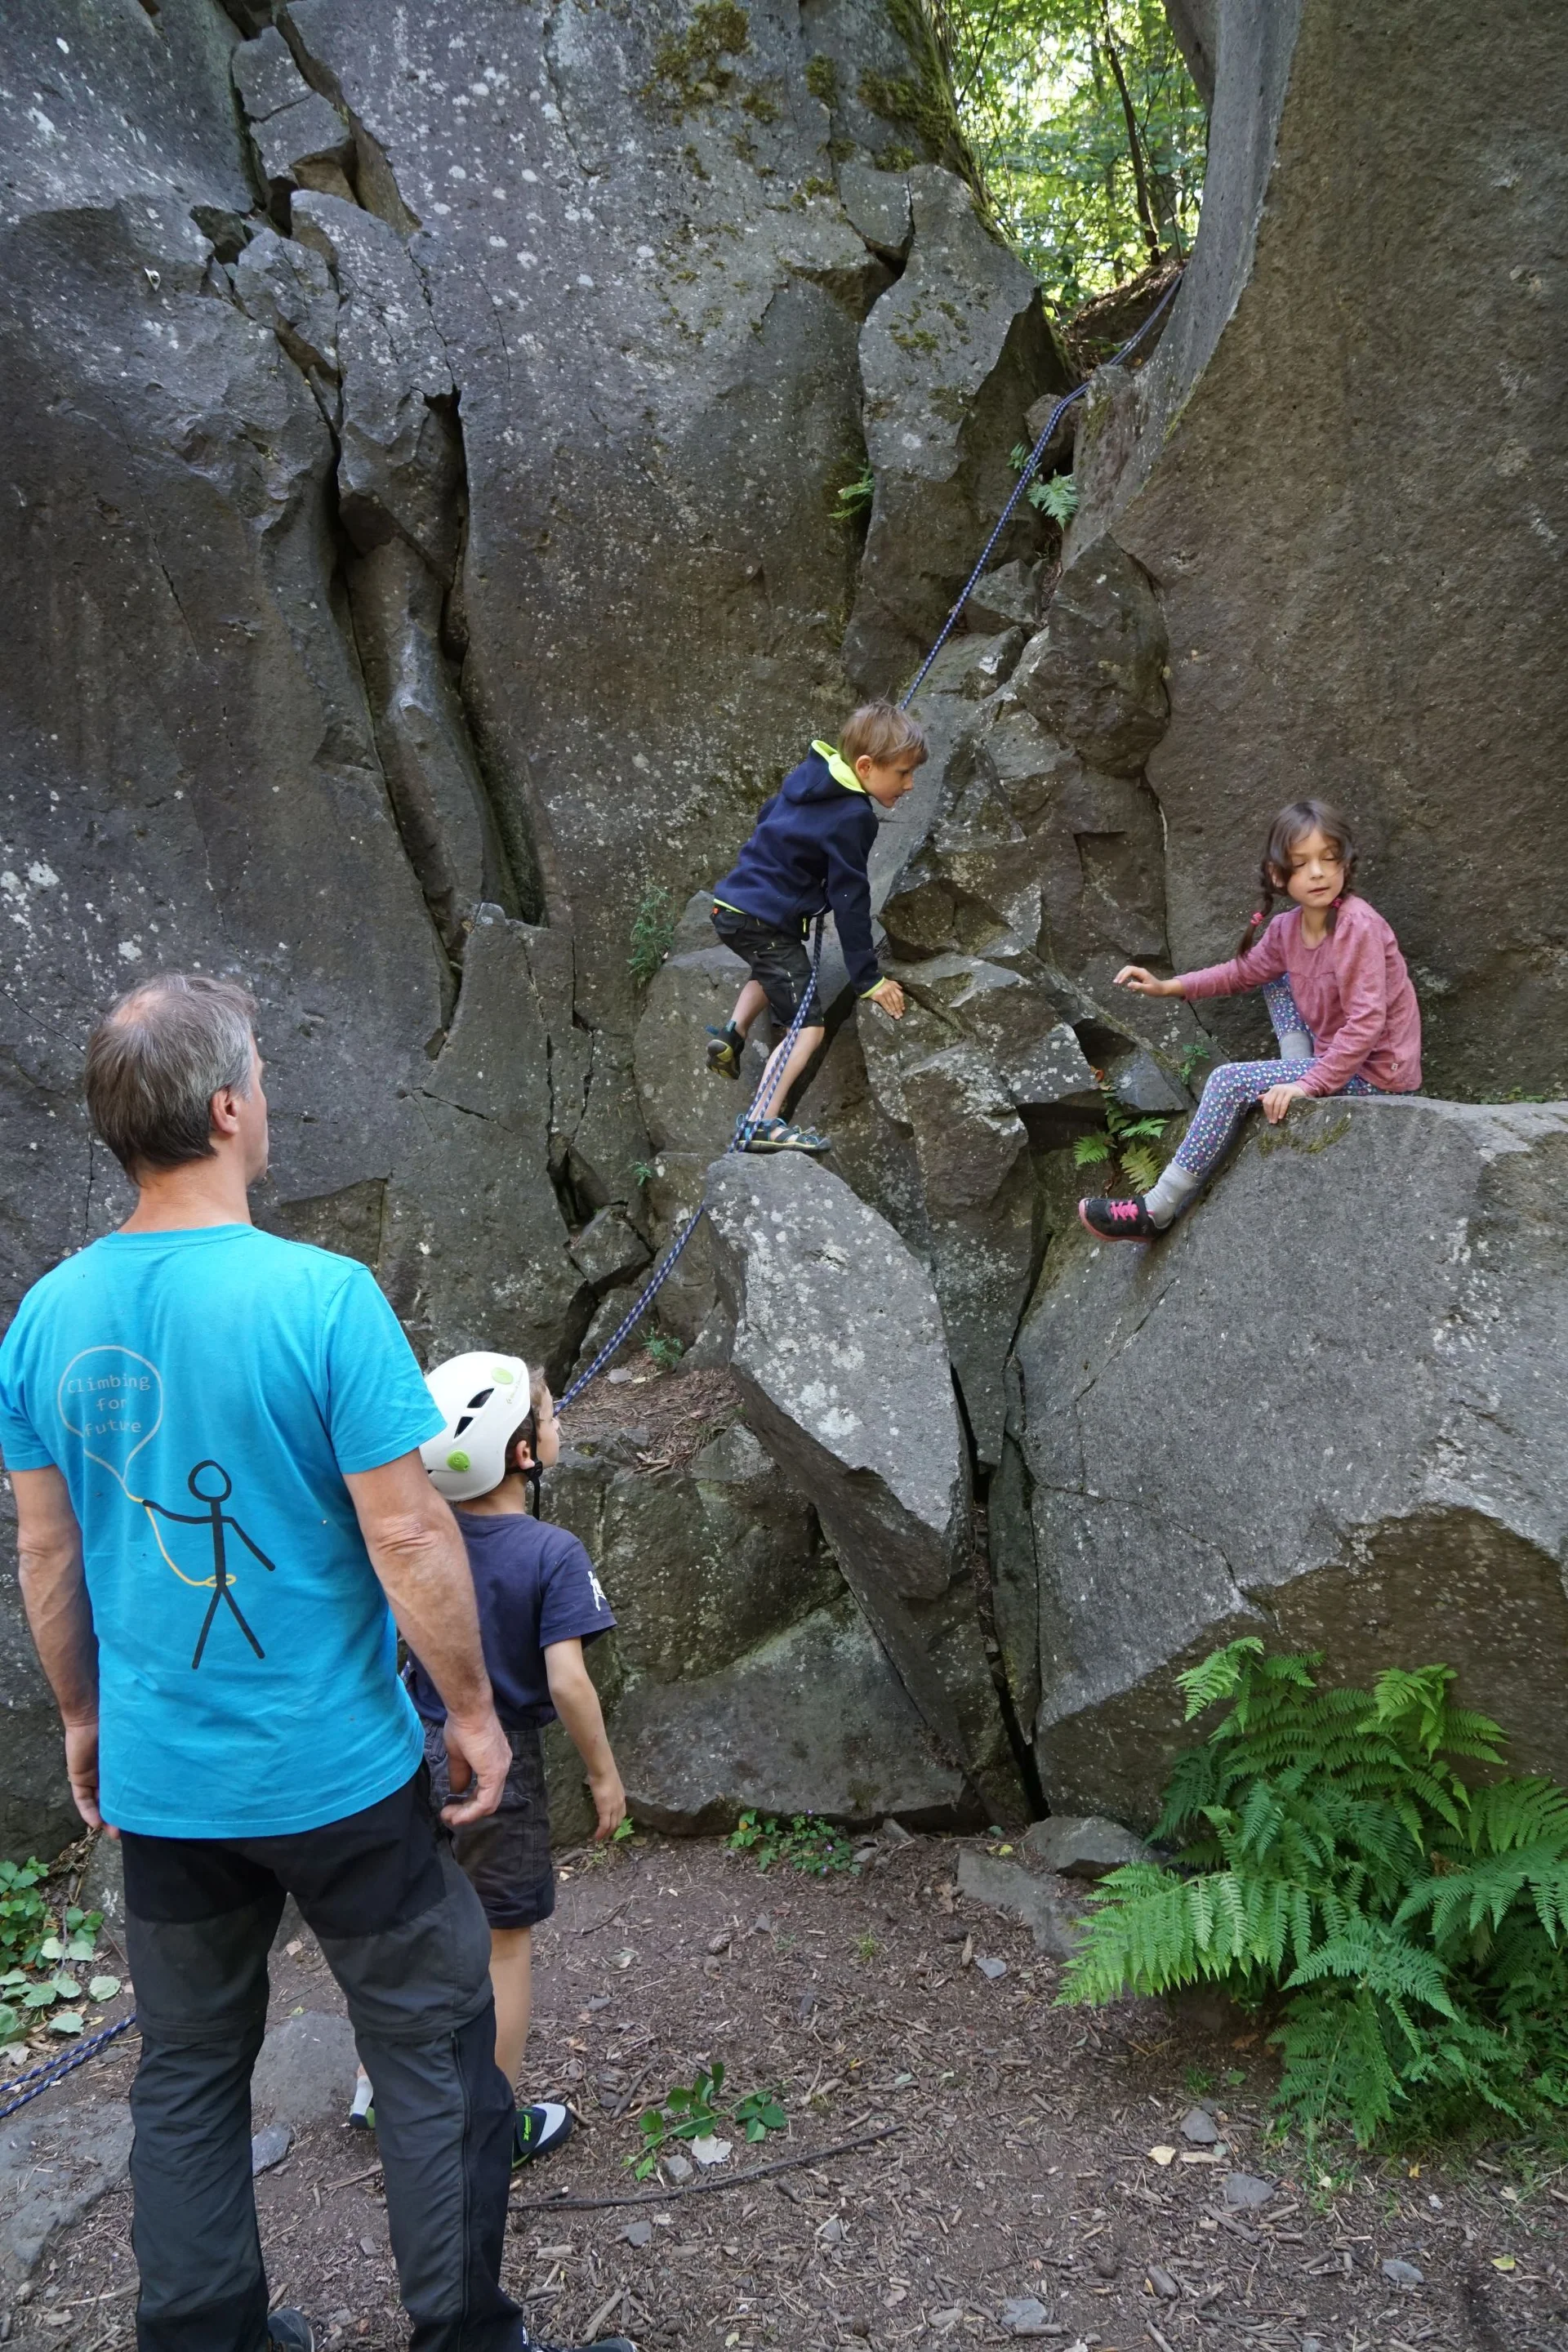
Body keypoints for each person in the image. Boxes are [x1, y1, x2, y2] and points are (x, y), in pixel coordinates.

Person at [0, 973, 632, 2352]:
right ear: (228, 1111)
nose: (270, 1104)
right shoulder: (324, 1299)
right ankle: (464, 2338)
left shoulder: (42, 1322)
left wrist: (81, 1720)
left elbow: (49, 1560)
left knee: (184, 2074)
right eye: (264, 1084)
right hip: (339, 1778)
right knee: (431, 2048)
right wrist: (474, 1713)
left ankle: (207, 2335)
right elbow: (410, 1539)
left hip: (168, 1785)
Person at [350, 1352, 625, 2169]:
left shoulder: (415, 1541)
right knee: (503, 1942)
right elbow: (567, 1680)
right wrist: (604, 1774)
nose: (557, 1422)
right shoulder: (551, 1551)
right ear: (522, 1452)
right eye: (546, 1413)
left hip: (408, 1750)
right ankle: (490, 2127)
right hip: (502, 1763)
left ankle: (378, 2089)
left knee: (409, 1928)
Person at [1079, 800, 1422, 1241]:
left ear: (1345, 864)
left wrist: (1306, 1084)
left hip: (1375, 1072)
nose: (1317, 873)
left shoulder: (1357, 926)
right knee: (1273, 978)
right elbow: (1241, 972)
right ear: (1279, 875)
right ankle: (1294, 1072)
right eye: (1301, 864)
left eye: (1328, 859)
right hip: (1334, 1056)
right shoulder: (1286, 929)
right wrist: (1168, 986)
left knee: (1227, 1081)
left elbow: (1368, 1023)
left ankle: (1157, 1208)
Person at [704, 701, 924, 1152]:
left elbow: (768, 819)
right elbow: (850, 898)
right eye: (902, 773)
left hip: (735, 907)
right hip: (762, 918)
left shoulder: (809, 777)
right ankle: (762, 1123)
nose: (909, 783)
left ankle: (733, 1031)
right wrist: (868, 978)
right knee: (809, 1026)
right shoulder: (854, 816)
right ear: (865, 766)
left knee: (773, 965)